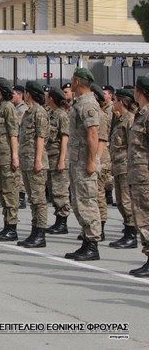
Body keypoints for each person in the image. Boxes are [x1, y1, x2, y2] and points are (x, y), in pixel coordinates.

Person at [65, 68, 101, 261]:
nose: (71, 82)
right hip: (77, 161)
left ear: (78, 81)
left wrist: (91, 162)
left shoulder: (87, 104)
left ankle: (93, 245)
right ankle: (87, 242)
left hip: (84, 162)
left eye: (72, 79)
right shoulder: (79, 102)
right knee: (78, 203)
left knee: (87, 202)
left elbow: (93, 134)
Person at [17, 81, 49, 248]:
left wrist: (38, 160)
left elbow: (40, 137)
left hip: (35, 162)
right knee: (32, 199)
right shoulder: (28, 112)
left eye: (25, 92)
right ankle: (34, 231)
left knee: (39, 200)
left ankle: (40, 234)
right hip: (27, 160)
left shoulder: (39, 112)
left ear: (29, 94)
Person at [0, 78, 20, 241]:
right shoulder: (0, 107)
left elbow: (13, 133)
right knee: (2, 191)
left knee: (9, 192)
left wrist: (15, 156)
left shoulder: (8, 108)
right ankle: (6, 225)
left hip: (7, 156)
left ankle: (12, 228)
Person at [109, 88, 138, 249]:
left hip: (126, 167)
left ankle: (131, 235)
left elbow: (132, 146)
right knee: (120, 202)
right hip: (118, 166)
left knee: (127, 202)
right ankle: (127, 232)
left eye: (115, 100)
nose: (113, 103)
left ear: (122, 102)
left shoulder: (130, 120)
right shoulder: (119, 119)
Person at [128, 76, 149, 277]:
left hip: (145, 176)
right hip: (138, 175)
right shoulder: (140, 114)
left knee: (145, 217)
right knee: (141, 217)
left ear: (140, 91)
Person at [45, 87, 71, 235]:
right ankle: (58, 221)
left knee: (60, 191)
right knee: (53, 190)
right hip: (50, 157)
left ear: (52, 99)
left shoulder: (62, 115)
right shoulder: (51, 114)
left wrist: (62, 160)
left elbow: (65, 138)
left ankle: (62, 222)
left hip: (58, 158)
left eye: (48, 97)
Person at [91, 84, 110, 240]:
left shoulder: (101, 116)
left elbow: (102, 140)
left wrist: (95, 160)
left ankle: (101, 228)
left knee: (98, 195)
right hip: (93, 159)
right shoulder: (93, 114)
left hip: (101, 160)